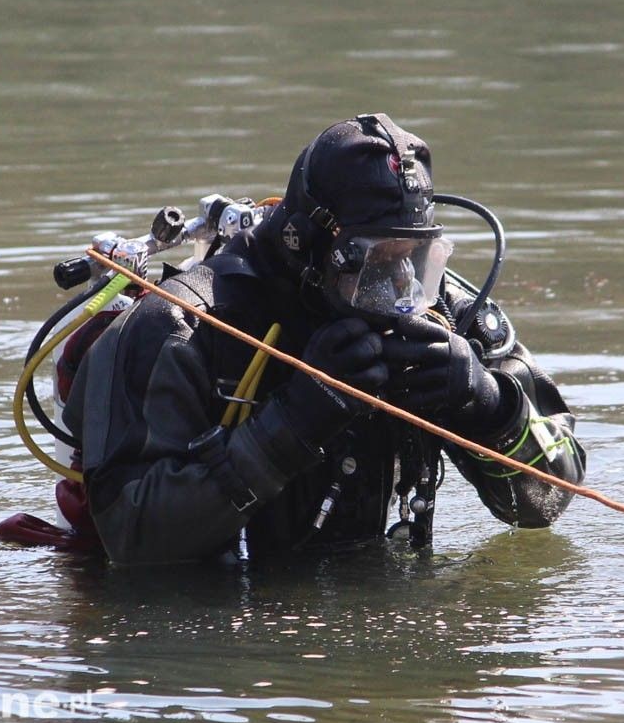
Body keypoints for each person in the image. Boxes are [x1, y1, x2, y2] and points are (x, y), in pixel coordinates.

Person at [62, 113, 586, 564]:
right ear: (307, 244)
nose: (398, 289)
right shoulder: (183, 328)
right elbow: (132, 541)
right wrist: (292, 425)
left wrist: (488, 407)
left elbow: (552, 500)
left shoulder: (443, 313)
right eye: (374, 261)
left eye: (414, 259)